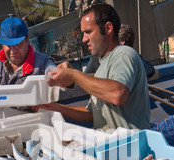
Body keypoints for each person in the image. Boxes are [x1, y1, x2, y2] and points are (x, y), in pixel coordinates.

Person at [33, 3, 150, 131]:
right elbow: (92, 113)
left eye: (88, 32)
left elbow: (118, 94)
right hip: (109, 145)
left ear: (108, 28)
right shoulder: (102, 66)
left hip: (129, 147)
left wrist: (74, 75)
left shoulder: (124, 54)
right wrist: (54, 108)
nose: (84, 39)